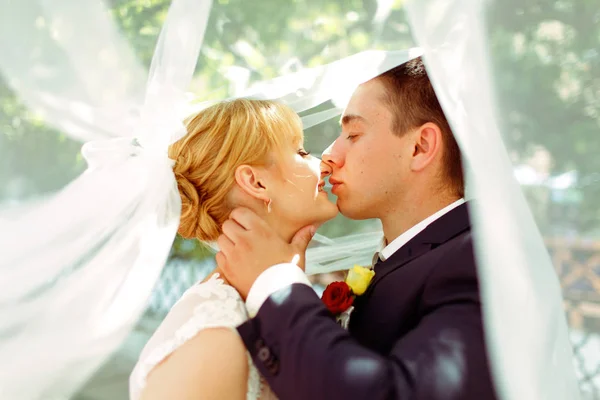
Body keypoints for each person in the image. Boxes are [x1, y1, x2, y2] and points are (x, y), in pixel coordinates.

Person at [217, 57, 499, 399]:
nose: (329, 156)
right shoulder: (406, 258)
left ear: (420, 147)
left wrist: (276, 284)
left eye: (353, 134)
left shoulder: (478, 260)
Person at [129, 99, 338, 400]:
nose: (323, 162)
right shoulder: (215, 337)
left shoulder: (254, 303)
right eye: (301, 152)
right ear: (255, 182)